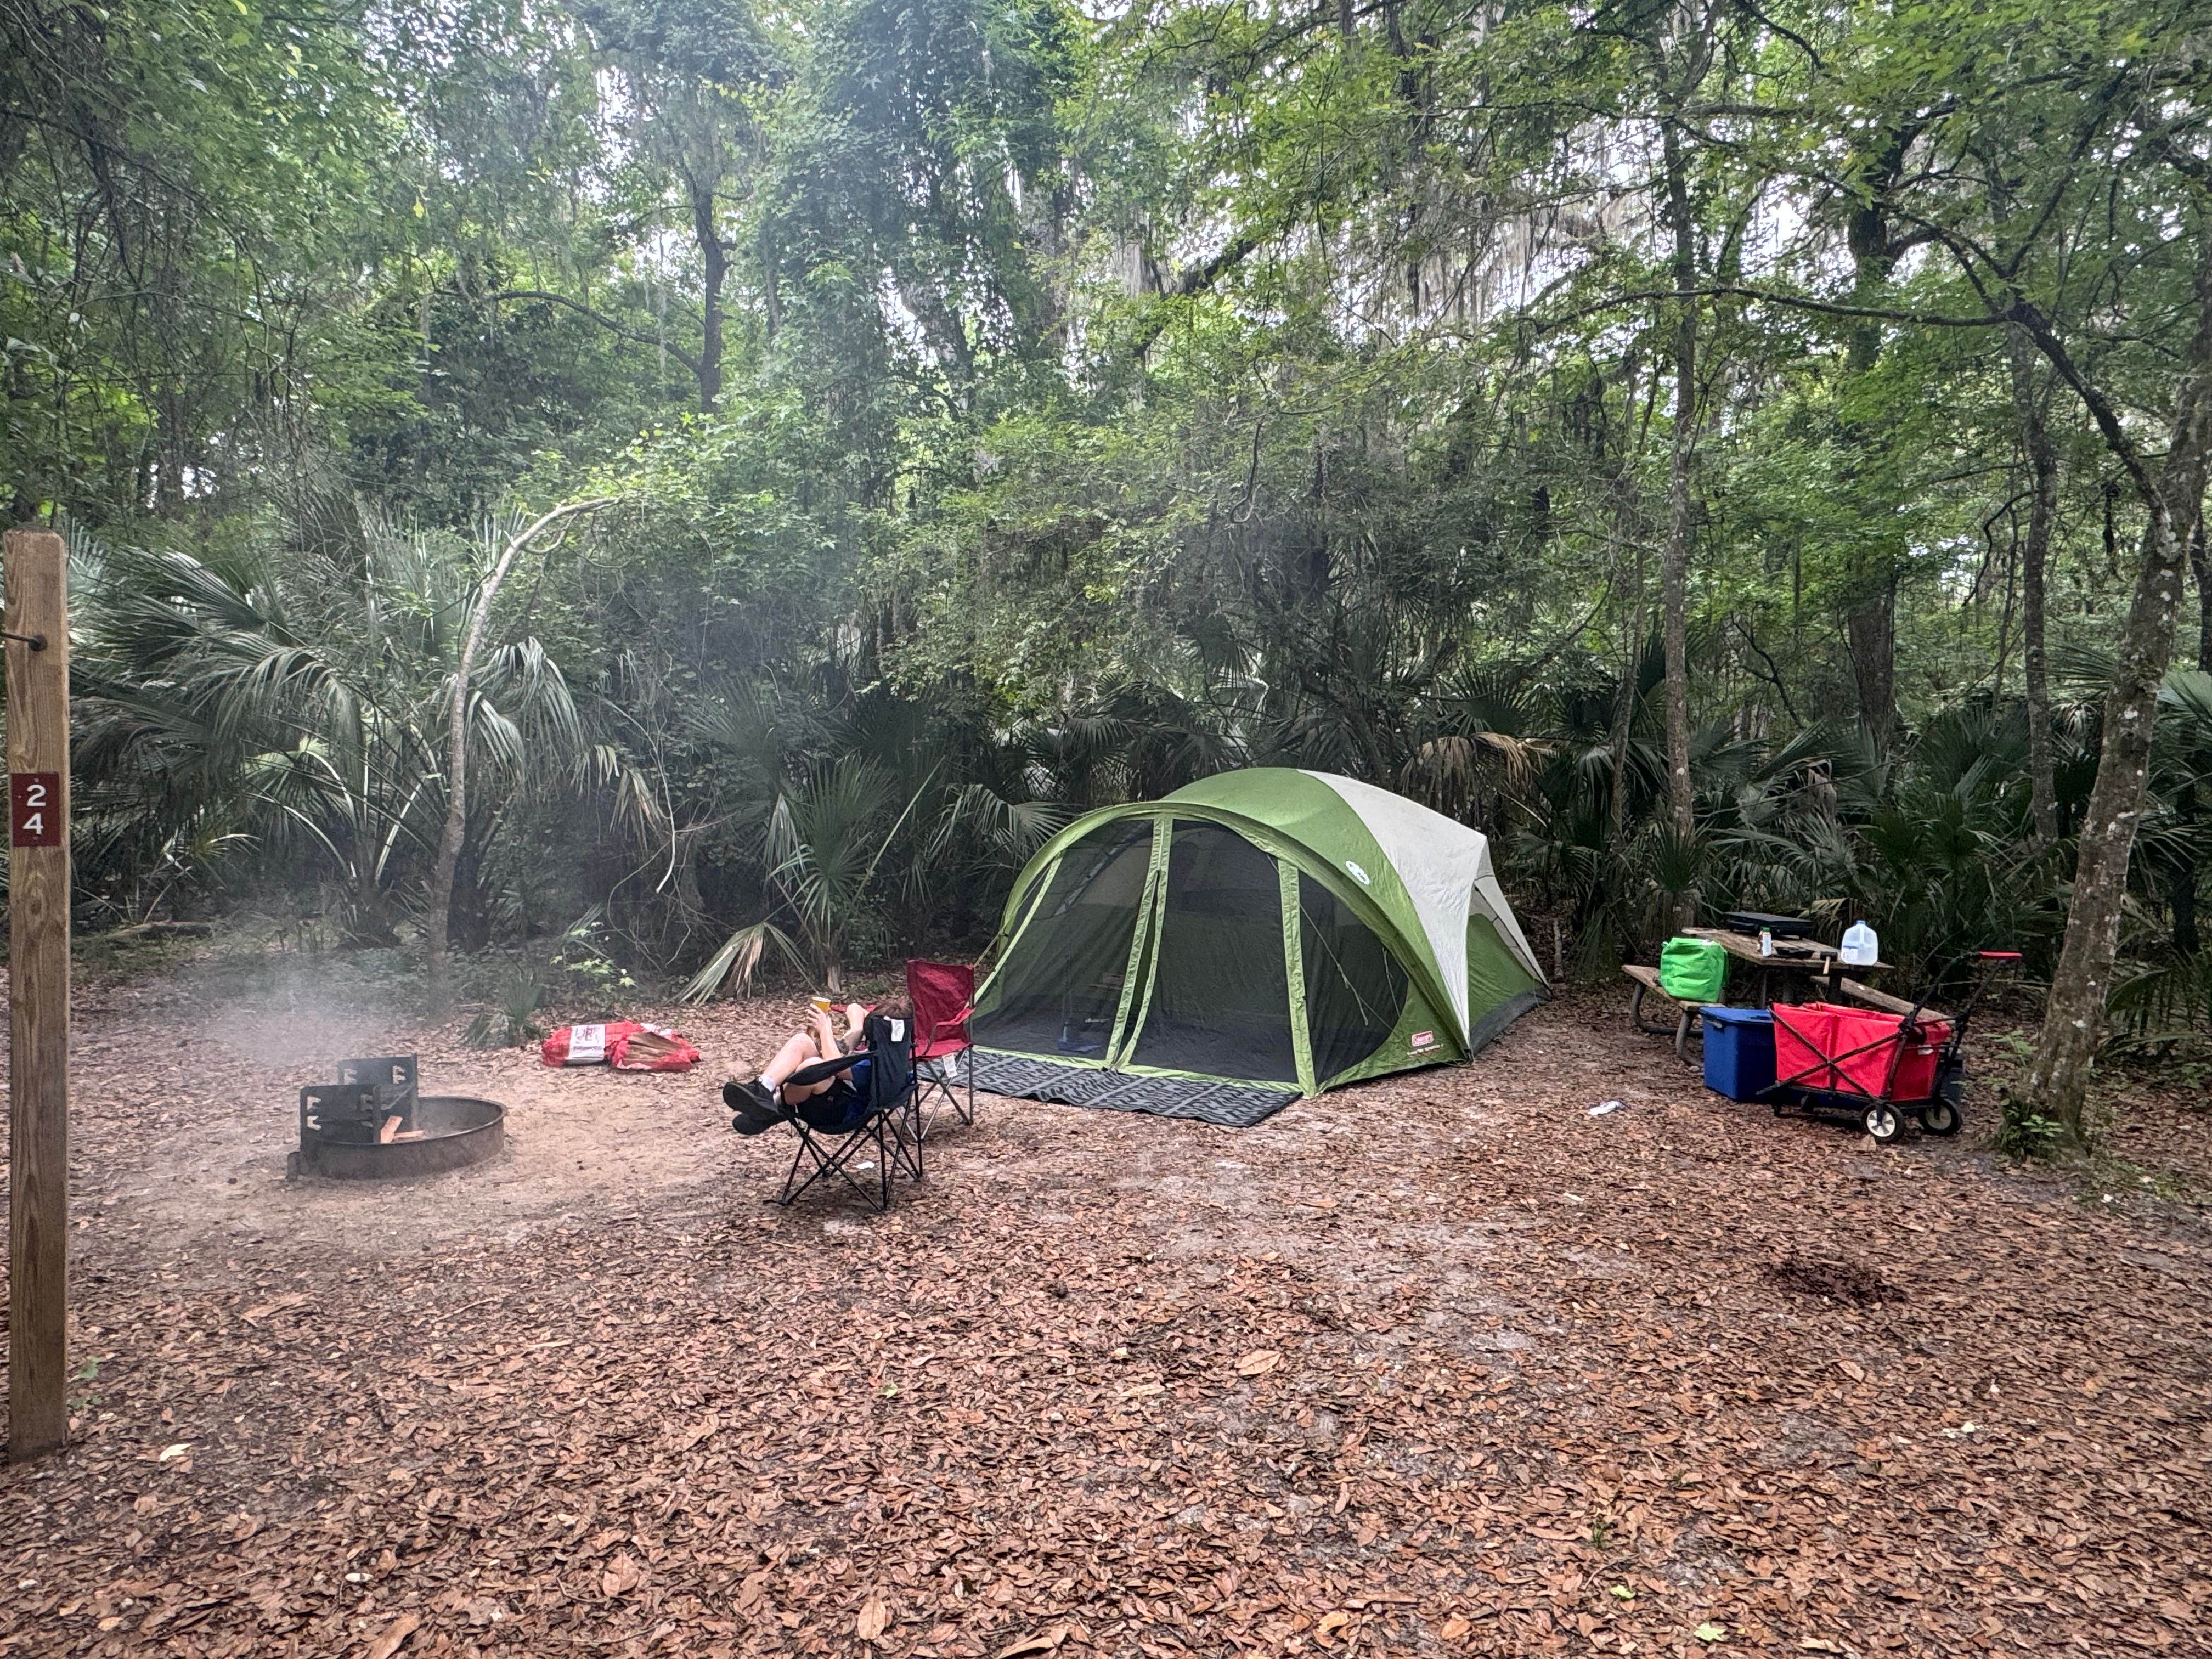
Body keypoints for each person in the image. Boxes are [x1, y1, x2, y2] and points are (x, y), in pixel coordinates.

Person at [724, 1000, 901, 1135]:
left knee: (813, 1066)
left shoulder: (876, 1062)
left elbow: (836, 1068)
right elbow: (855, 1008)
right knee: (802, 1040)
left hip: (840, 1111)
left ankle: (777, 1106)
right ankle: (763, 1088)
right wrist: (857, 1029)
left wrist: (825, 1030)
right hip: (830, 1090)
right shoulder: (895, 1047)